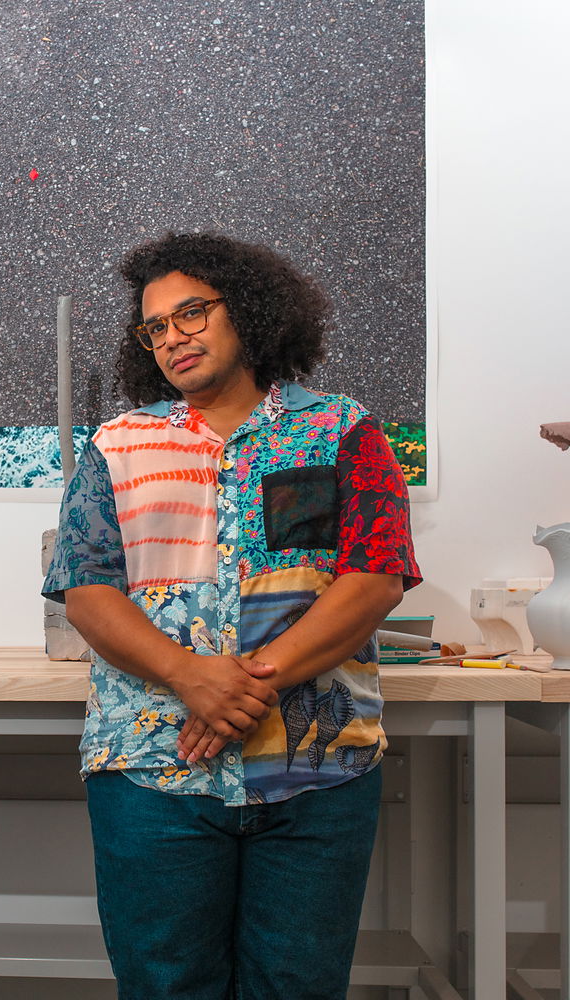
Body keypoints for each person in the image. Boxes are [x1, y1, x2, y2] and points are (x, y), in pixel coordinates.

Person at [42, 231, 421, 1000]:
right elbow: (87, 591)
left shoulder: (344, 431)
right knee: (165, 987)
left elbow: (375, 578)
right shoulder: (117, 447)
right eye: (154, 328)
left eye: (190, 314)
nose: (172, 338)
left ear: (247, 309)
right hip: (152, 769)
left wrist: (242, 687)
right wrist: (188, 676)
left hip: (315, 769)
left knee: (298, 987)